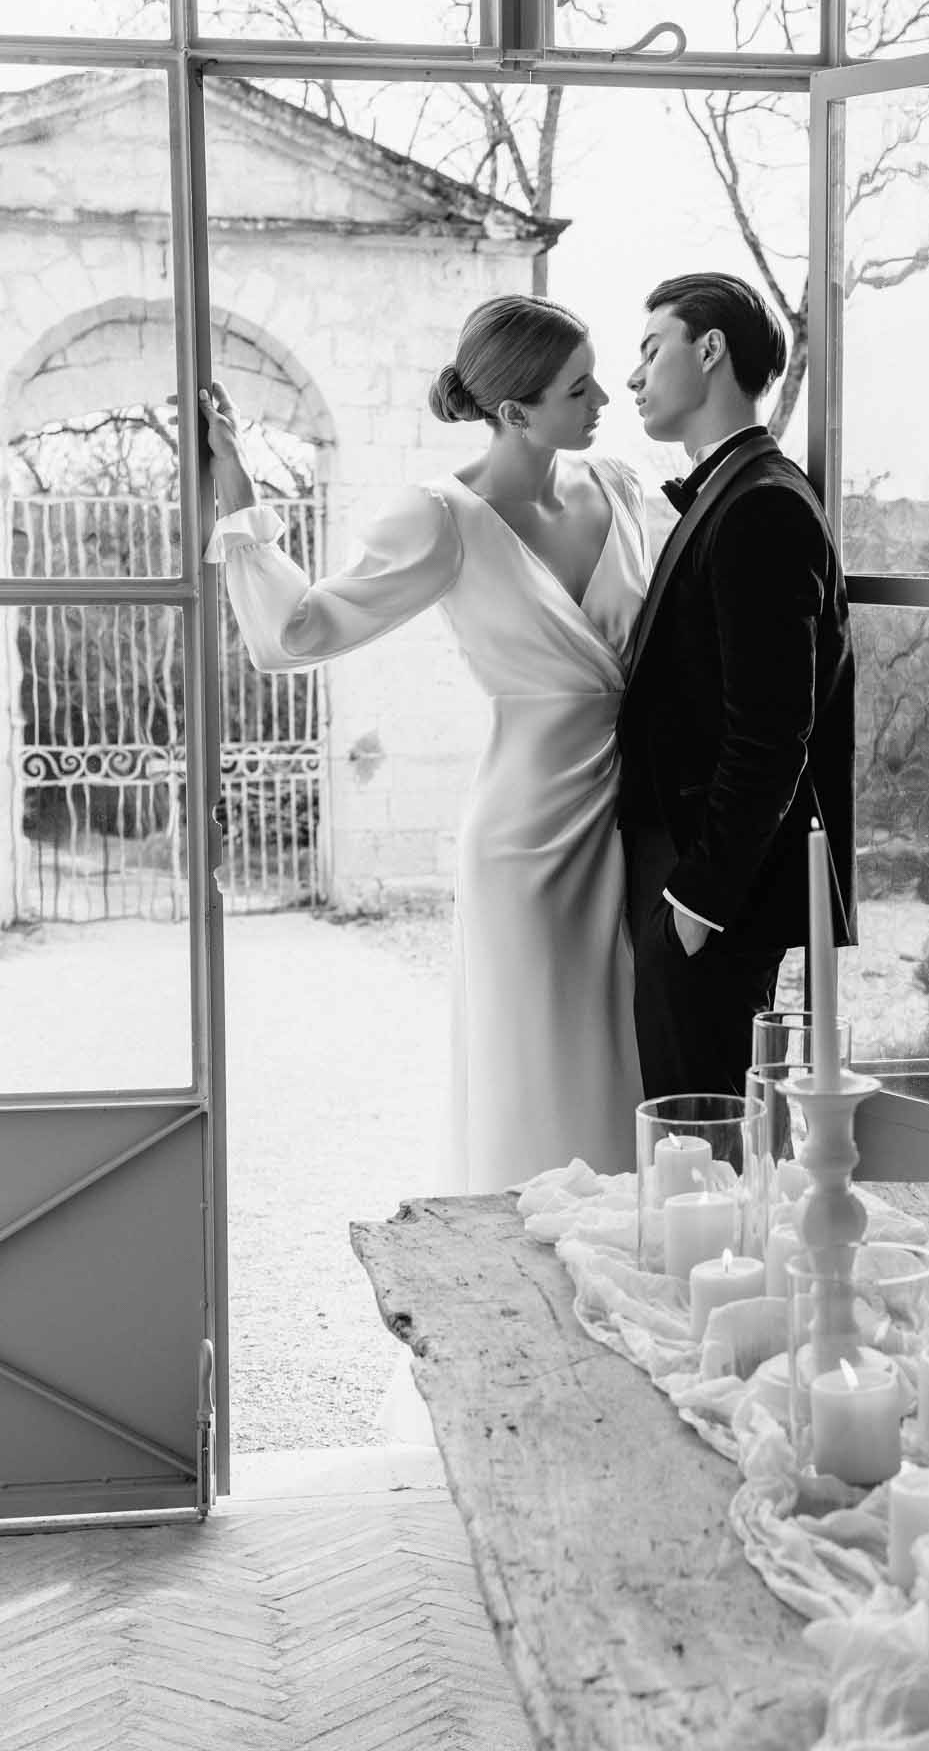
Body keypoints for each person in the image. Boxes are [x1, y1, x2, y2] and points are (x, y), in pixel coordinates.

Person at [200, 294, 649, 1195]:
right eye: (578, 388)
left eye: (596, 377)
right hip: (529, 835)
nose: (604, 399)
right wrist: (239, 493)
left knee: (633, 1055)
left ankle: (628, 1246)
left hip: (640, 812)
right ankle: (523, 1260)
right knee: (539, 1064)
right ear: (513, 411)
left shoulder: (619, 486)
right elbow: (295, 632)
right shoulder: (443, 516)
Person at [618, 271, 857, 1098]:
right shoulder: (733, 490)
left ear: (709, 349)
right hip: (684, 876)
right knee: (687, 1134)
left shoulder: (762, 505)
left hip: (710, 892)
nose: (633, 376)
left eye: (651, 349)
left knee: (703, 1135)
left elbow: (771, 731)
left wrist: (695, 904)